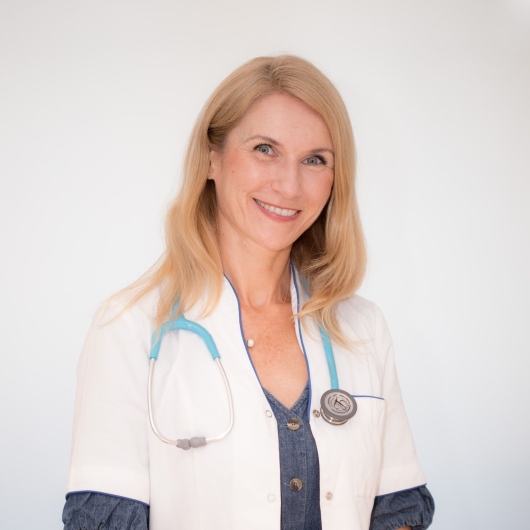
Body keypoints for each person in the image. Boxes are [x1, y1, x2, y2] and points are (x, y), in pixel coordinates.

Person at [63, 55, 434, 530]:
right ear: (211, 159)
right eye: (264, 149)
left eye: (315, 159)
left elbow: (398, 509)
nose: (289, 185)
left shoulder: (362, 326)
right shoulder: (129, 328)